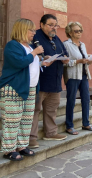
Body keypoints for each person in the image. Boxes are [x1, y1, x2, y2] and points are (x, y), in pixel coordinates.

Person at [0, 19, 51, 161]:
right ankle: (9, 149)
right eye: (31, 30)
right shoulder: (12, 46)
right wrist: (35, 52)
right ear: (22, 30)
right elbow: (19, 62)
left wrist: (42, 61)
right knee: (12, 120)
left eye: (34, 30)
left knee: (26, 119)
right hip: (14, 88)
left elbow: (30, 65)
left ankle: (21, 146)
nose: (34, 33)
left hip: (30, 88)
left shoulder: (29, 47)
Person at [29, 14, 70, 148]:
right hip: (40, 81)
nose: (54, 28)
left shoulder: (56, 38)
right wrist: (43, 58)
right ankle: (31, 138)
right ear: (41, 24)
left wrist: (65, 58)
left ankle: (51, 133)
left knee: (51, 109)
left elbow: (64, 53)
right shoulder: (35, 37)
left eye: (55, 25)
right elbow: (31, 55)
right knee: (34, 110)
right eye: (50, 25)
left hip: (55, 80)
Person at [63, 22, 92, 135]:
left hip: (84, 74)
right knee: (71, 100)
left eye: (80, 30)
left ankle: (86, 123)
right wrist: (78, 61)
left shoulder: (82, 45)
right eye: (76, 31)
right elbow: (64, 62)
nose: (79, 33)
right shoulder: (66, 44)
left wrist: (89, 61)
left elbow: (85, 59)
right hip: (72, 76)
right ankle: (69, 125)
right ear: (70, 33)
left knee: (86, 99)